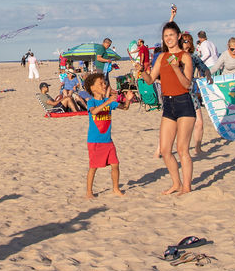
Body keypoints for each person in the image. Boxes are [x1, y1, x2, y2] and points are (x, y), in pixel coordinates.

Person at [140, 19, 195, 196]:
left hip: (184, 103)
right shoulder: (162, 57)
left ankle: (186, 186)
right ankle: (176, 183)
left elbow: (188, 84)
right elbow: (151, 79)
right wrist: (142, 72)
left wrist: (176, 68)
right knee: (165, 150)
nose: (169, 38)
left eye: (171, 35)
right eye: (166, 36)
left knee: (182, 149)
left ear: (179, 36)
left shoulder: (185, 57)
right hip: (168, 104)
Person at [84, 72, 128, 199]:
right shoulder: (91, 102)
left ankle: (116, 188)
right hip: (95, 141)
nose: (104, 85)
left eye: (104, 83)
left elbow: (124, 108)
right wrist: (108, 101)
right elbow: (94, 112)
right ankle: (89, 192)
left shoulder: (108, 102)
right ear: (92, 88)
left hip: (108, 140)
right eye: (101, 83)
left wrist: (128, 100)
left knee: (115, 164)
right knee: (93, 167)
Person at [181, 32, 213, 156]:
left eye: (189, 41)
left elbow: (205, 68)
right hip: (178, 93)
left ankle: (197, 148)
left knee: (199, 122)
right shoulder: (175, 57)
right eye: (184, 41)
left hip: (191, 93)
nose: (187, 43)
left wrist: (208, 75)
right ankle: (160, 149)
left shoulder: (193, 57)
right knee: (177, 126)